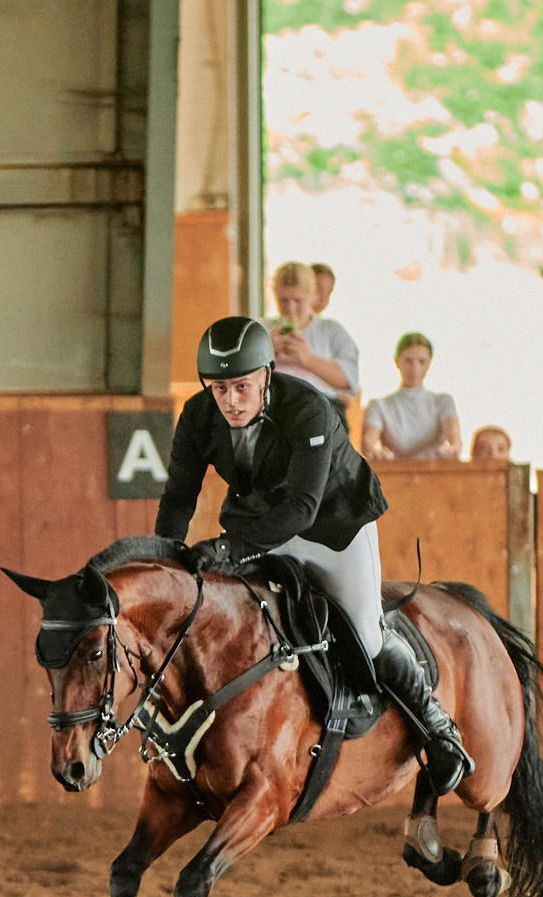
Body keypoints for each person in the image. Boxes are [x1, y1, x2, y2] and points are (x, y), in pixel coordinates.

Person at [155, 315, 471, 791]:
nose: (230, 401)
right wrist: (166, 562)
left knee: (365, 634)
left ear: (266, 374)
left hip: (334, 525)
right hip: (261, 523)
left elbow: (302, 507)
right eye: (219, 390)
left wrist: (224, 548)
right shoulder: (199, 416)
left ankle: (439, 729)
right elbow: (179, 496)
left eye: (241, 387)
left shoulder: (309, 409)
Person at [266, 261, 360, 423]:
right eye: (283, 301)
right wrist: (265, 353)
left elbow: (349, 381)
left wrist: (307, 360)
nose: (291, 308)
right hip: (271, 407)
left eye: (298, 301)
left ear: (312, 296)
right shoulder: (261, 329)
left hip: (319, 409)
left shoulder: (330, 330)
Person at [363, 333, 462, 462]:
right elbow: (369, 441)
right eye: (408, 361)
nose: (415, 368)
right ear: (397, 361)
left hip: (435, 474)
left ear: (429, 363)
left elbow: (454, 438)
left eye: (422, 361)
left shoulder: (443, 401)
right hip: (394, 474)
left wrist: (452, 449)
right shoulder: (379, 406)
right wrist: (375, 452)